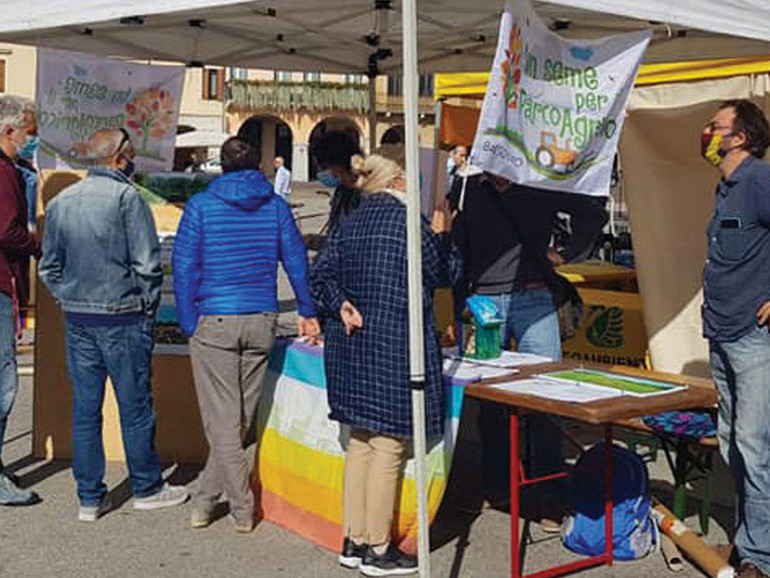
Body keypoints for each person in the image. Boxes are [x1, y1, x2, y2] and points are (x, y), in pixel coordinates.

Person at [310, 153, 460, 576]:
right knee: (389, 446)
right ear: (396, 180)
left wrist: (340, 306)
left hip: (352, 347)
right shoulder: (409, 224)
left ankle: (354, 540)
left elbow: (319, 276)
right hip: (394, 345)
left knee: (359, 442)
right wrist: (445, 233)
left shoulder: (350, 220)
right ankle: (378, 548)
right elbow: (445, 272)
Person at [39, 128, 188, 521]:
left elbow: (49, 266)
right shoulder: (126, 197)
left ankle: (89, 497)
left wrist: (67, 296)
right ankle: (147, 487)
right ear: (120, 158)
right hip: (122, 315)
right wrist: (147, 307)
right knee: (135, 405)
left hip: (79, 316)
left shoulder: (62, 200)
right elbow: (147, 264)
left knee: (86, 409)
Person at [173, 137, 320, 533]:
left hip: (215, 317)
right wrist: (306, 309)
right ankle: (205, 499)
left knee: (222, 422)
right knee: (236, 420)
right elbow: (296, 262)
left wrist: (189, 320)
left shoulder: (201, 206)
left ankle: (241, 506)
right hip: (261, 317)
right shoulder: (275, 206)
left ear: (221, 166)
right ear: (260, 165)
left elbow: (184, 267)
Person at [450, 171, 607, 528]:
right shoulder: (468, 188)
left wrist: (567, 252)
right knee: (489, 401)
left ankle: (550, 498)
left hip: (534, 298)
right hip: (481, 302)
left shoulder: (539, 183)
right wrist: (459, 306)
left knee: (547, 398)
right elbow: (459, 251)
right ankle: (498, 488)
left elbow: (594, 211)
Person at [701, 99, 770, 578]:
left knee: (753, 445)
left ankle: (760, 559)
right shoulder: (725, 187)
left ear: (739, 137)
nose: (706, 133)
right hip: (721, 331)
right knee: (731, 443)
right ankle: (751, 540)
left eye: (715, 127)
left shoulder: (760, 181)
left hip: (752, 335)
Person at [0, 95, 41, 506]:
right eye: (30, 132)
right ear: (8, 131)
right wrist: (38, 245)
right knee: (3, 383)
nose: (32, 139)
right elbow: (7, 232)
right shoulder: (3, 172)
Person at [310, 131, 363, 239]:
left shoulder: (364, 197)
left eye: (321, 167)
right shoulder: (341, 192)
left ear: (336, 169)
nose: (319, 172)